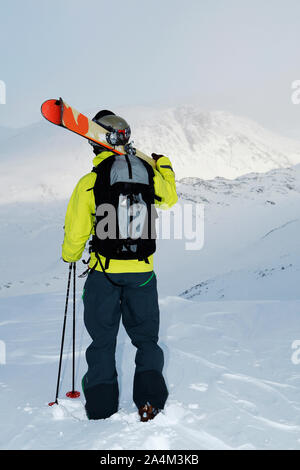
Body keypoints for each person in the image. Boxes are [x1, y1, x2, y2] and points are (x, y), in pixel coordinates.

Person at [62, 110, 178, 421]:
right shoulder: (149, 174)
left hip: (104, 274)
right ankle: (150, 401)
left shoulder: (90, 181)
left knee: (103, 340)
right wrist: (163, 164)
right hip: (142, 272)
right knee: (146, 340)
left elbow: (76, 230)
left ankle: (101, 406)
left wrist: (70, 255)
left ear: (96, 145)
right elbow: (170, 198)